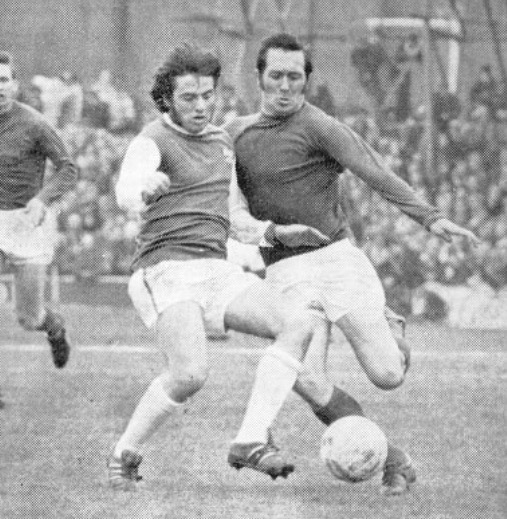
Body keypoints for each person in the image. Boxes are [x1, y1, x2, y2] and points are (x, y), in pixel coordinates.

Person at [226, 33, 480, 495]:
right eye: (276, 75)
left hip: (336, 262)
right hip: (284, 271)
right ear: (259, 76)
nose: (285, 85)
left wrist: (431, 218)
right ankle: (392, 458)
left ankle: (391, 328)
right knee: (305, 378)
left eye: (295, 77)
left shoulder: (320, 126)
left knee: (387, 375)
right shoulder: (235, 135)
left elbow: (374, 170)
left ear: (306, 81)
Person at [109, 43, 319, 491]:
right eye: (189, 98)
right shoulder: (152, 140)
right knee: (189, 374)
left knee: (299, 322)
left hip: (215, 269)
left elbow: (232, 219)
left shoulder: (222, 143)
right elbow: (125, 191)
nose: (201, 106)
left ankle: (249, 439)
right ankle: (124, 453)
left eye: (208, 95)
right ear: (167, 98)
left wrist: (273, 233)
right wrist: (144, 187)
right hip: (165, 270)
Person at [0, 51, 76, 371]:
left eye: (3, 80)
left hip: (26, 221)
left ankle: (54, 328)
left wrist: (43, 199)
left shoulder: (34, 123)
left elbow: (67, 168)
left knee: (29, 318)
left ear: (15, 85)